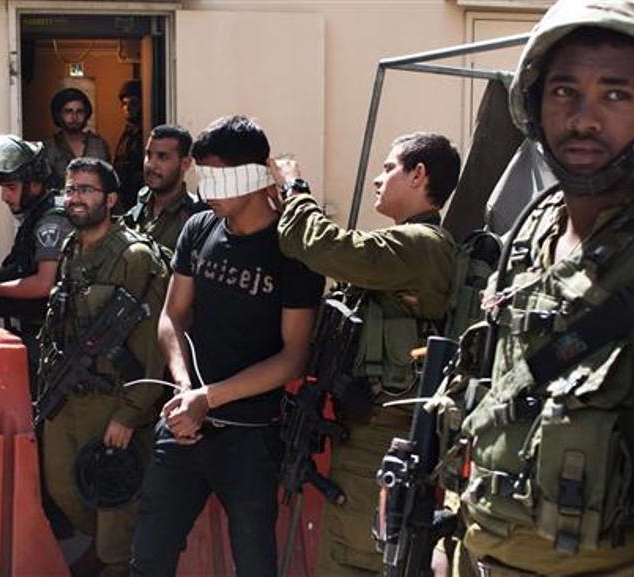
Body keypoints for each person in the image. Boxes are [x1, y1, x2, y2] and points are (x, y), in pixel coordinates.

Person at [444, 0, 634, 574]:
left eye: (616, 94)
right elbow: (493, 407)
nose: (584, 119)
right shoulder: (529, 232)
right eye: (564, 92)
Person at [130, 115, 325, 577]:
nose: (205, 188)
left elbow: (292, 357)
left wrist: (208, 398)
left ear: (252, 175)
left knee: (255, 563)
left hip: (251, 437)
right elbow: (172, 316)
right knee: (148, 556)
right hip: (182, 427)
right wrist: (183, 389)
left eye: (215, 176)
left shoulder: (293, 252)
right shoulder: (199, 229)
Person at [274, 132, 461, 576]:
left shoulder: (421, 245)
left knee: (355, 560)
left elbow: (326, 248)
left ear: (419, 175)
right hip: (370, 430)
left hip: (384, 437)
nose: (378, 180)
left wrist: (295, 189)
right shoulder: (409, 245)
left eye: (389, 168)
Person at [38, 157, 167, 577]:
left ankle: (117, 564)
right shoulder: (72, 248)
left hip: (113, 401)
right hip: (69, 396)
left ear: (111, 199)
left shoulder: (134, 256)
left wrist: (130, 413)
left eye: (86, 190)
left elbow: (153, 346)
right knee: (62, 487)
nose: (75, 198)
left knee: (115, 504)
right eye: (70, 189)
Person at [0, 134, 72, 377]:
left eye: (11, 187)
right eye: (3, 188)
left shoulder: (50, 221)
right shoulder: (34, 215)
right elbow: (26, 268)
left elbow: (44, 283)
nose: (5, 196)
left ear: (34, 185)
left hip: (43, 337)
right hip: (28, 332)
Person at [121, 124, 204, 252]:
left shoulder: (195, 217)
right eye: (148, 155)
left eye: (162, 157)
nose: (150, 164)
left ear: (185, 163)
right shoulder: (138, 209)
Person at [42, 88, 110, 192]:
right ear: (59, 115)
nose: (74, 117)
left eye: (80, 111)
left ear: (86, 114)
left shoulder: (99, 145)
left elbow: (109, 182)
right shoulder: (49, 147)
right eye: (68, 111)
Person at [112, 80, 144, 213]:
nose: (128, 108)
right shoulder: (128, 132)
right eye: (124, 104)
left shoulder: (144, 133)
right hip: (124, 196)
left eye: (134, 103)